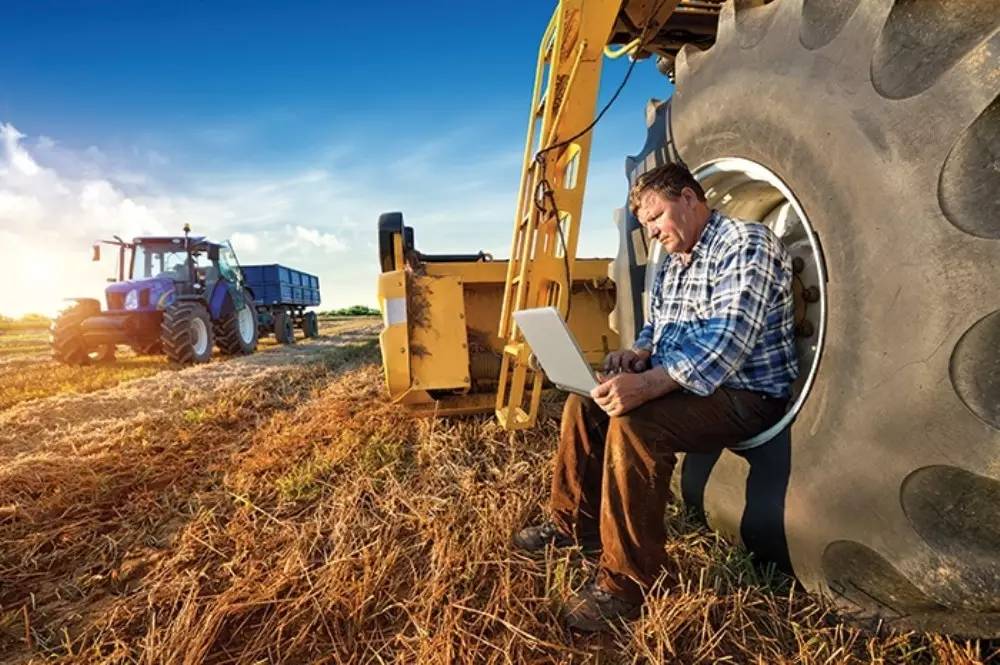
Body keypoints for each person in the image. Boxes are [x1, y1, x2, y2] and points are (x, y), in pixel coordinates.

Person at [512, 161, 799, 631]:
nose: (651, 232)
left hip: (745, 392)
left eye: (656, 217)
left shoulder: (746, 243)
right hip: (689, 386)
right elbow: (658, 325)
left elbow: (727, 342)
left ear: (689, 198)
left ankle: (627, 584)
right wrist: (639, 354)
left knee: (635, 423)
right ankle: (571, 527)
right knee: (584, 404)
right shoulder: (673, 260)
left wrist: (646, 386)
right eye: (644, 224)